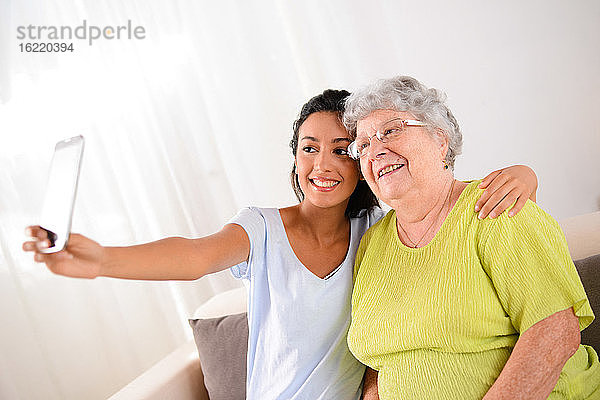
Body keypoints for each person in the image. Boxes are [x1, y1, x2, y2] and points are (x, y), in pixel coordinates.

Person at [23, 89, 538, 400]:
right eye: (309, 149)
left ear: (361, 162)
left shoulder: (380, 235)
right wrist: (101, 260)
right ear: (294, 159)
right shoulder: (263, 229)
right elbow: (193, 255)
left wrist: (524, 174)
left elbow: (440, 198)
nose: (323, 165)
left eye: (341, 151)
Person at [343, 76, 599, 399]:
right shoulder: (371, 243)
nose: (375, 151)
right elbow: (379, 362)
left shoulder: (498, 207)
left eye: (391, 130)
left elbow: (555, 331)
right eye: (363, 145)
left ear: (440, 140)